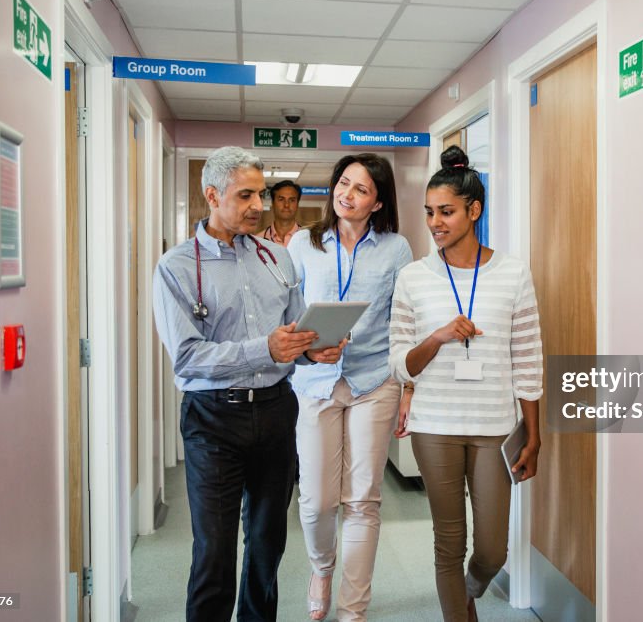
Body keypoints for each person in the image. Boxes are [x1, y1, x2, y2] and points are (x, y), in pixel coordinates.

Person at [152, 146, 344, 622]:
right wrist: (267, 348)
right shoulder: (176, 267)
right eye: (246, 195)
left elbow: (292, 334)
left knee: (266, 544)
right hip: (213, 420)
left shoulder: (278, 259)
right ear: (212, 196)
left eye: (261, 193)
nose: (259, 204)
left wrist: (311, 349)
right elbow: (188, 356)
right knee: (214, 551)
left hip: (277, 412)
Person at [389, 148, 543, 622]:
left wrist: (534, 434)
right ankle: (460, 614)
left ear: (474, 211)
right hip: (435, 424)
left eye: (447, 212)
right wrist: (435, 338)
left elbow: (529, 357)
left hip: (494, 424)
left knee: (492, 550)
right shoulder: (413, 277)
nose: (435, 223)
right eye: (430, 213)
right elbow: (401, 364)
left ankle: (469, 591)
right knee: (447, 542)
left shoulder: (513, 273)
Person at [286, 153, 413, 622]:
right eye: (344, 183)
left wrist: (408, 390)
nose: (348, 194)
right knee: (318, 500)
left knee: (363, 499)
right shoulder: (304, 243)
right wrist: (304, 349)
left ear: (378, 202)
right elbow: (286, 311)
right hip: (315, 381)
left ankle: (352, 609)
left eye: (361, 189)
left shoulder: (396, 248)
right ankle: (322, 568)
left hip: (373, 380)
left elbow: (403, 322)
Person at [261, 179, 301, 246]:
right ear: (272, 203)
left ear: (297, 204)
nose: (286, 205)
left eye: (292, 200)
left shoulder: (310, 240)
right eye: (281, 199)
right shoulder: (258, 240)